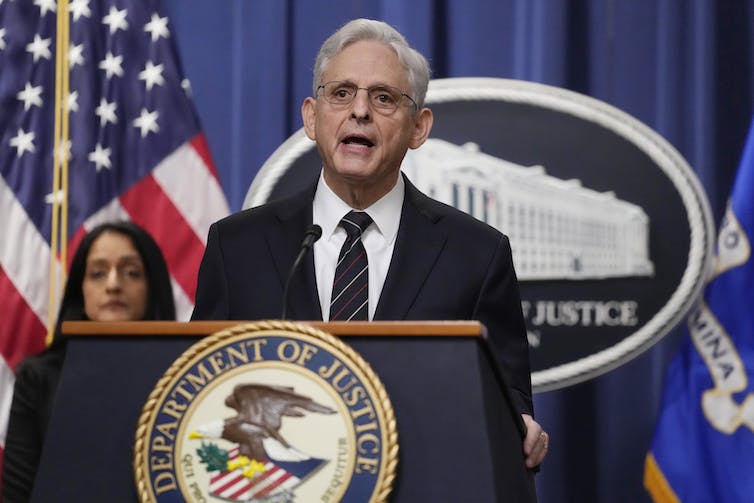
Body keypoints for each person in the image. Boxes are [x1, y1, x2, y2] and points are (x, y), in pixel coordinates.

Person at [192, 18, 548, 469]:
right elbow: (201, 387)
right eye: (341, 93)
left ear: (419, 127)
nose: (359, 111)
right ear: (311, 116)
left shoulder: (476, 255)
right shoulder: (237, 247)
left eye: (383, 98)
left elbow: (507, 399)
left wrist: (518, 424)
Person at [1, 221, 176, 502]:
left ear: (152, 286)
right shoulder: (39, 378)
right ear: (80, 290)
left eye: (131, 272)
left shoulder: (182, 374)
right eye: (98, 273)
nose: (114, 285)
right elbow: (18, 495)